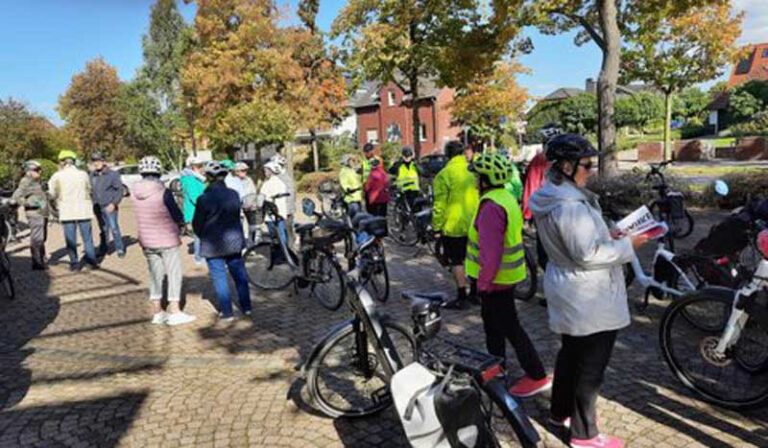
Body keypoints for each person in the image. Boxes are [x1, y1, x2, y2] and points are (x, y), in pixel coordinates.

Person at [529, 133, 650, 448]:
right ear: (567, 167)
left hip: (573, 291)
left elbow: (579, 245)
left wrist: (608, 233)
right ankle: (585, 435)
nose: (592, 170)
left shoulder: (557, 196)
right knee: (590, 367)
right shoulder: (570, 206)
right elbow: (586, 254)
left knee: (571, 356)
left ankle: (559, 413)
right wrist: (628, 245)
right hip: (587, 297)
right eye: (587, 164)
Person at [465, 153, 551, 397]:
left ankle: (536, 374)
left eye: (477, 177)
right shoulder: (505, 197)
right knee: (492, 325)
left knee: (510, 327)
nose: (475, 181)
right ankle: (497, 367)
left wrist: (483, 283)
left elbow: (490, 253)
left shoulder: (491, 207)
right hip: (505, 278)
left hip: (495, 281)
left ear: (485, 179)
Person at [131, 156, 196, 326]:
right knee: (173, 273)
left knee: (155, 275)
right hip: (166, 238)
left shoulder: (134, 192)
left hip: (146, 239)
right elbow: (176, 214)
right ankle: (174, 311)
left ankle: (157, 312)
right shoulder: (163, 192)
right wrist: (181, 222)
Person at [193, 161, 252, 321]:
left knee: (220, 277)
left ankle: (227, 312)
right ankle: (246, 307)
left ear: (208, 177)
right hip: (233, 240)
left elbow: (197, 224)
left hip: (213, 243)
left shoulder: (204, 198)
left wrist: (202, 234)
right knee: (239, 274)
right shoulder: (233, 194)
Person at [432, 141, 479, 309]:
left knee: (457, 261)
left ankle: (462, 297)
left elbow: (439, 205)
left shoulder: (444, 175)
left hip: (454, 225)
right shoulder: (474, 171)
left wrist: (436, 227)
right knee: (474, 259)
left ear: (447, 155)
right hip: (475, 222)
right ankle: (475, 293)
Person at [49, 150, 99, 272]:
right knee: (87, 238)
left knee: (70, 239)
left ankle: (74, 264)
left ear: (62, 162)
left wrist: (55, 204)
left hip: (67, 211)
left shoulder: (57, 176)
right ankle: (91, 262)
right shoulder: (83, 174)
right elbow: (89, 189)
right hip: (83, 209)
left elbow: (52, 193)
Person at [12, 161, 49, 270]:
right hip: (35, 214)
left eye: (40, 169)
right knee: (37, 237)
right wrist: (31, 204)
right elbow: (16, 197)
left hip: (42, 213)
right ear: (29, 171)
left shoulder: (35, 181)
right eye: (37, 170)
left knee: (41, 237)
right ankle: (37, 262)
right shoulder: (26, 181)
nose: (40, 172)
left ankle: (41, 259)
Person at [89, 151, 125, 259]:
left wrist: (114, 203)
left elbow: (119, 190)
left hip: (109, 206)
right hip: (97, 206)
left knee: (114, 228)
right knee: (103, 229)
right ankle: (103, 249)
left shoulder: (112, 174)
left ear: (103, 161)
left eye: (98, 160)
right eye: (94, 161)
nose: (96, 163)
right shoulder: (92, 175)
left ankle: (120, 248)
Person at [180, 157, 207, 265]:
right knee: (199, 235)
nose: (201, 168)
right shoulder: (190, 179)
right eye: (198, 166)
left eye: (201, 165)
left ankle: (200, 255)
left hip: (197, 210)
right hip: (195, 211)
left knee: (199, 235)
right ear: (192, 167)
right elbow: (195, 197)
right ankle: (199, 257)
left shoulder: (195, 178)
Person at [258, 161, 290, 244]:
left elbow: (260, 200)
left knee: (273, 237)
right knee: (282, 235)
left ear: (270, 171)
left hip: (270, 215)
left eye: (266, 171)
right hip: (281, 214)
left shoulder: (267, 184)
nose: (265, 173)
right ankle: (285, 252)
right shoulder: (281, 183)